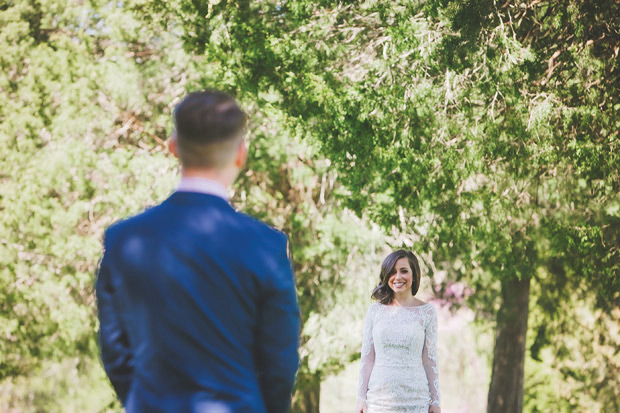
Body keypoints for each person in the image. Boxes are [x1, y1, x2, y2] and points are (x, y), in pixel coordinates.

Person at [95, 90, 300, 413]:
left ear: (173, 146)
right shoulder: (266, 246)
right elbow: (279, 361)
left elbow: (115, 350)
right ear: (241, 154)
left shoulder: (123, 240)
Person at [356, 249, 441, 413]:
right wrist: (361, 398)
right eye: (392, 272)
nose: (398, 277)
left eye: (404, 271)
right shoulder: (375, 311)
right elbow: (367, 358)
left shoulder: (427, 312)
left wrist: (436, 401)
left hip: (416, 401)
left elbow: (429, 360)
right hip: (378, 401)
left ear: (414, 274)